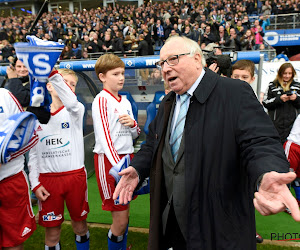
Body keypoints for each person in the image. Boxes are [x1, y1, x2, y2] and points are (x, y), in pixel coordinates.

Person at [113, 36, 300, 249]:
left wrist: (267, 172)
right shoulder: (168, 102)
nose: (165, 69)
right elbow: (153, 144)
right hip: (171, 220)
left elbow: (260, 142)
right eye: (161, 63)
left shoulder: (234, 92)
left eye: (172, 59)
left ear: (197, 59)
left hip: (216, 227)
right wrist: (137, 169)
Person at [28, 69, 90, 250]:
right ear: (49, 86)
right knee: (52, 232)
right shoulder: (35, 117)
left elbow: (70, 101)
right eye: (65, 83)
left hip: (74, 178)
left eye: (72, 85)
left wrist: (53, 72)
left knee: (80, 226)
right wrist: (35, 184)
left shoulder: (76, 110)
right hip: (48, 182)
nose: (68, 87)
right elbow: (32, 154)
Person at [92, 54, 141, 250]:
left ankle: (122, 247)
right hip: (109, 162)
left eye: (122, 73)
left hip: (126, 158)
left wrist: (133, 124)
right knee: (119, 220)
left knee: (125, 213)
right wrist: (121, 168)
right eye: (115, 74)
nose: (121, 77)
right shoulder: (101, 100)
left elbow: (135, 135)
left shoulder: (126, 101)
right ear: (102, 76)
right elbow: (105, 140)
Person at [231, 59, 264, 243]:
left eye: (244, 77)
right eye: (236, 77)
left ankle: (249, 232)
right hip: (225, 162)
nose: (240, 80)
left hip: (245, 163)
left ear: (252, 79)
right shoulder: (222, 98)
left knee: (246, 200)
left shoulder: (254, 103)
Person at [0, 88, 37, 250]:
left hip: (11, 180)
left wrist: (3, 157)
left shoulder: (5, 95)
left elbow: (31, 136)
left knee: (14, 242)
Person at [263, 63, 300, 144]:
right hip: (276, 124)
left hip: (293, 125)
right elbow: (265, 102)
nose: (287, 76)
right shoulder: (272, 85)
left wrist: (296, 99)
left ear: (293, 74)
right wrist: (279, 99)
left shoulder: (297, 86)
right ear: (280, 73)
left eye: (289, 73)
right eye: (285, 73)